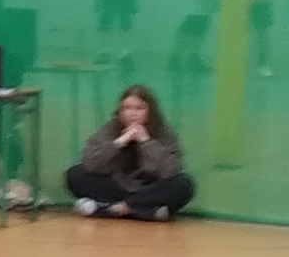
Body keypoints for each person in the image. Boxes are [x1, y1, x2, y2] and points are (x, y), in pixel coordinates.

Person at [67, 86, 194, 220]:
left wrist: (146, 141)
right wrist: (119, 142)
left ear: (150, 111)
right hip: (116, 185)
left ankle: (112, 208)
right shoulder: (110, 129)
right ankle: (146, 211)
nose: (132, 113)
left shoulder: (163, 132)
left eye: (139, 108)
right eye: (127, 108)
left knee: (183, 184)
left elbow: (171, 170)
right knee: (75, 175)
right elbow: (90, 164)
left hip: (149, 188)